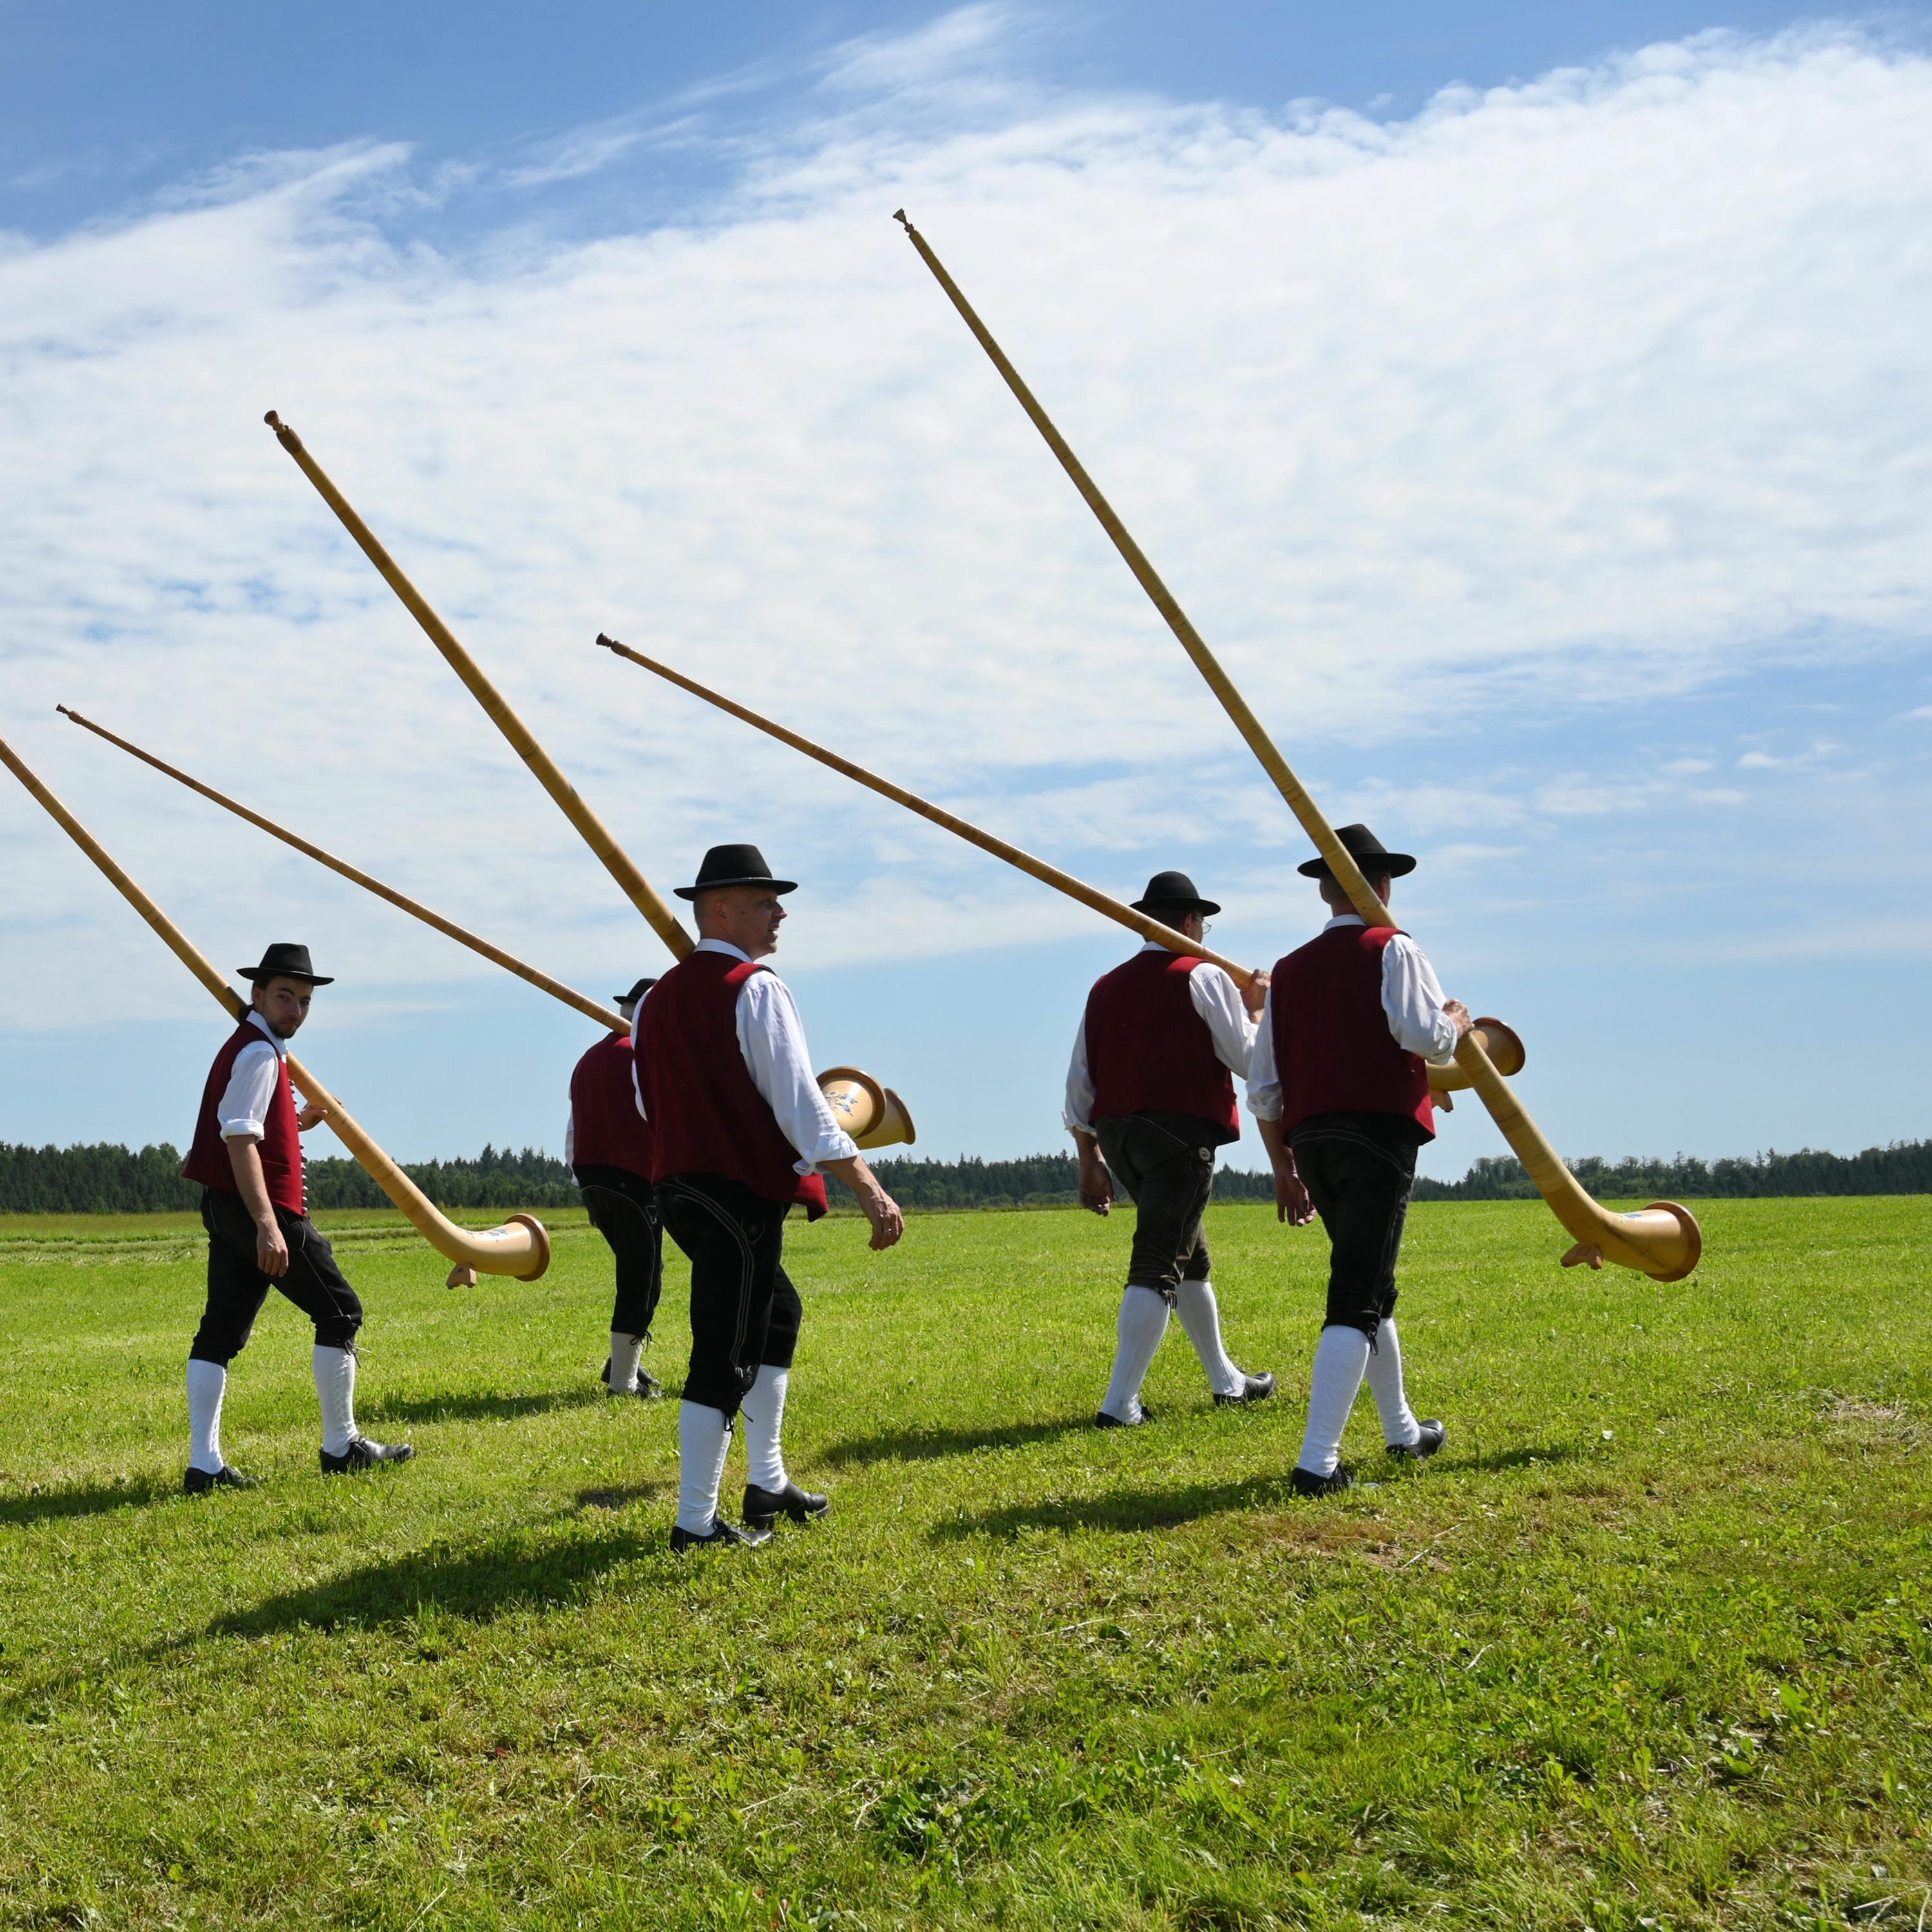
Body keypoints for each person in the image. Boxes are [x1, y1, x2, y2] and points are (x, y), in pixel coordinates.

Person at [634, 846, 904, 1550]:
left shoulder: (654, 1001)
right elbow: (803, 1107)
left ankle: (768, 1481)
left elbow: (645, 1104)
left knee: (777, 1314)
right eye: (765, 902)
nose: (780, 912)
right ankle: (695, 1523)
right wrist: (869, 1187)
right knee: (724, 1350)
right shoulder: (757, 989)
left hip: (681, 1192)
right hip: (737, 1194)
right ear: (721, 911)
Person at [1246, 826, 1472, 1496]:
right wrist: (1457, 1023)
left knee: (1372, 1287)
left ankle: (1402, 1432)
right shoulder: (1394, 947)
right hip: (1377, 1136)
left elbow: (1264, 1088)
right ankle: (1317, 1465)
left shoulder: (1288, 970)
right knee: (1355, 1297)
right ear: (1383, 885)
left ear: (1325, 889)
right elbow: (1425, 1037)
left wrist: (1284, 1166)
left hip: (1311, 1142)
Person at [178, 943, 413, 1491]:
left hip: (225, 1205)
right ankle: (342, 1447)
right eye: (285, 997)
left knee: (220, 1333)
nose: (296, 1010)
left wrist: (296, 1120)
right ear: (258, 994)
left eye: (305, 1001)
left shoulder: (254, 1046)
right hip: (260, 1209)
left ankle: (204, 1467)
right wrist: (267, 1225)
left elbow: (249, 1122)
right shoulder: (260, 1054)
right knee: (341, 1313)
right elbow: (239, 1138)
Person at [1066, 870, 1276, 1427]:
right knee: (1158, 1263)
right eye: (1202, 924)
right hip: (1180, 1136)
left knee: (1191, 1259)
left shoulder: (1105, 986)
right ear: (1189, 922)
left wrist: (1090, 1159)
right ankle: (1119, 1405)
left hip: (1120, 1138)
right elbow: (1250, 1060)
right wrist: (1257, 1009)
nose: (1203, 933)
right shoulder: (1204, 976)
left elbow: (1080, 1083)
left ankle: (1227, 1381)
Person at [567, 976, 665, 1401]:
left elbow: (574, 1130)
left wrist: (585, 1189)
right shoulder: (645, 1056)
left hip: (594, 1181)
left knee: (640, 1275)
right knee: (641, 1281)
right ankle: (623, 1384)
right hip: (634, 1180)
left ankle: (623, 1365)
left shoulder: (588, 1059)